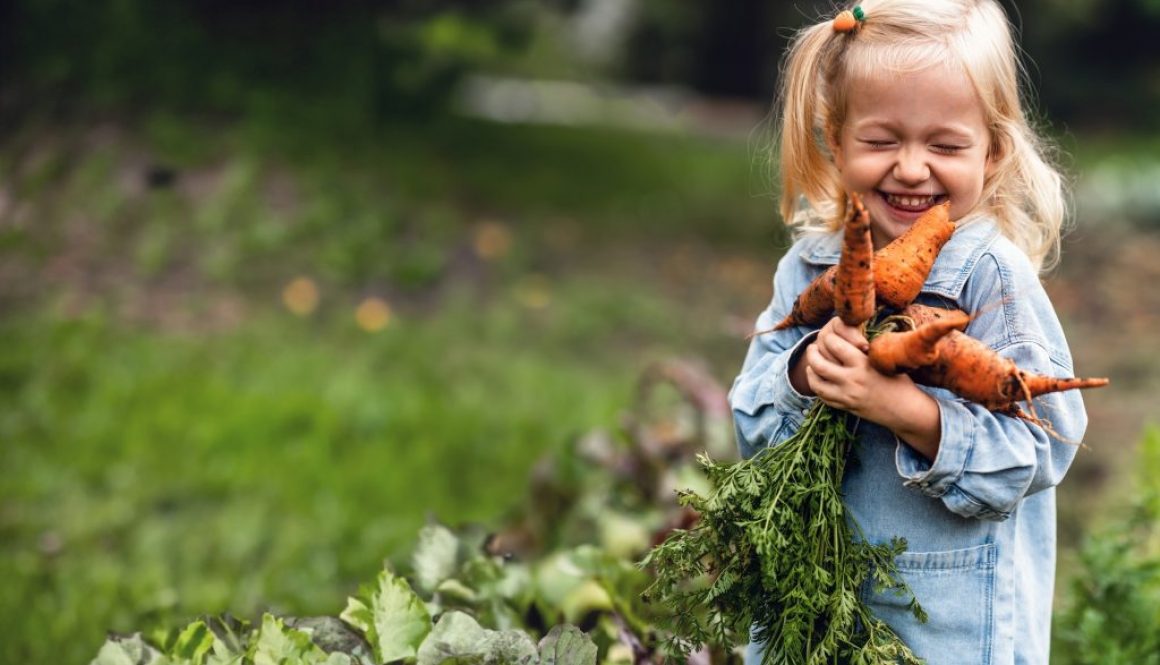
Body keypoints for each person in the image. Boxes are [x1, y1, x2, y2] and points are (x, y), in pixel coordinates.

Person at [728, 1, 1088, 663]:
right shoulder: (809, 268)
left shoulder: (990, 277)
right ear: (836, 142)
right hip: (810, 615)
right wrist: (806, 370)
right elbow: (750, 421)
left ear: (992, 151)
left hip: (944, 634)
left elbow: (1044, 446)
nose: (912, 167)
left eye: (945, 145)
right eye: (881, 140)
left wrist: (905, 410)